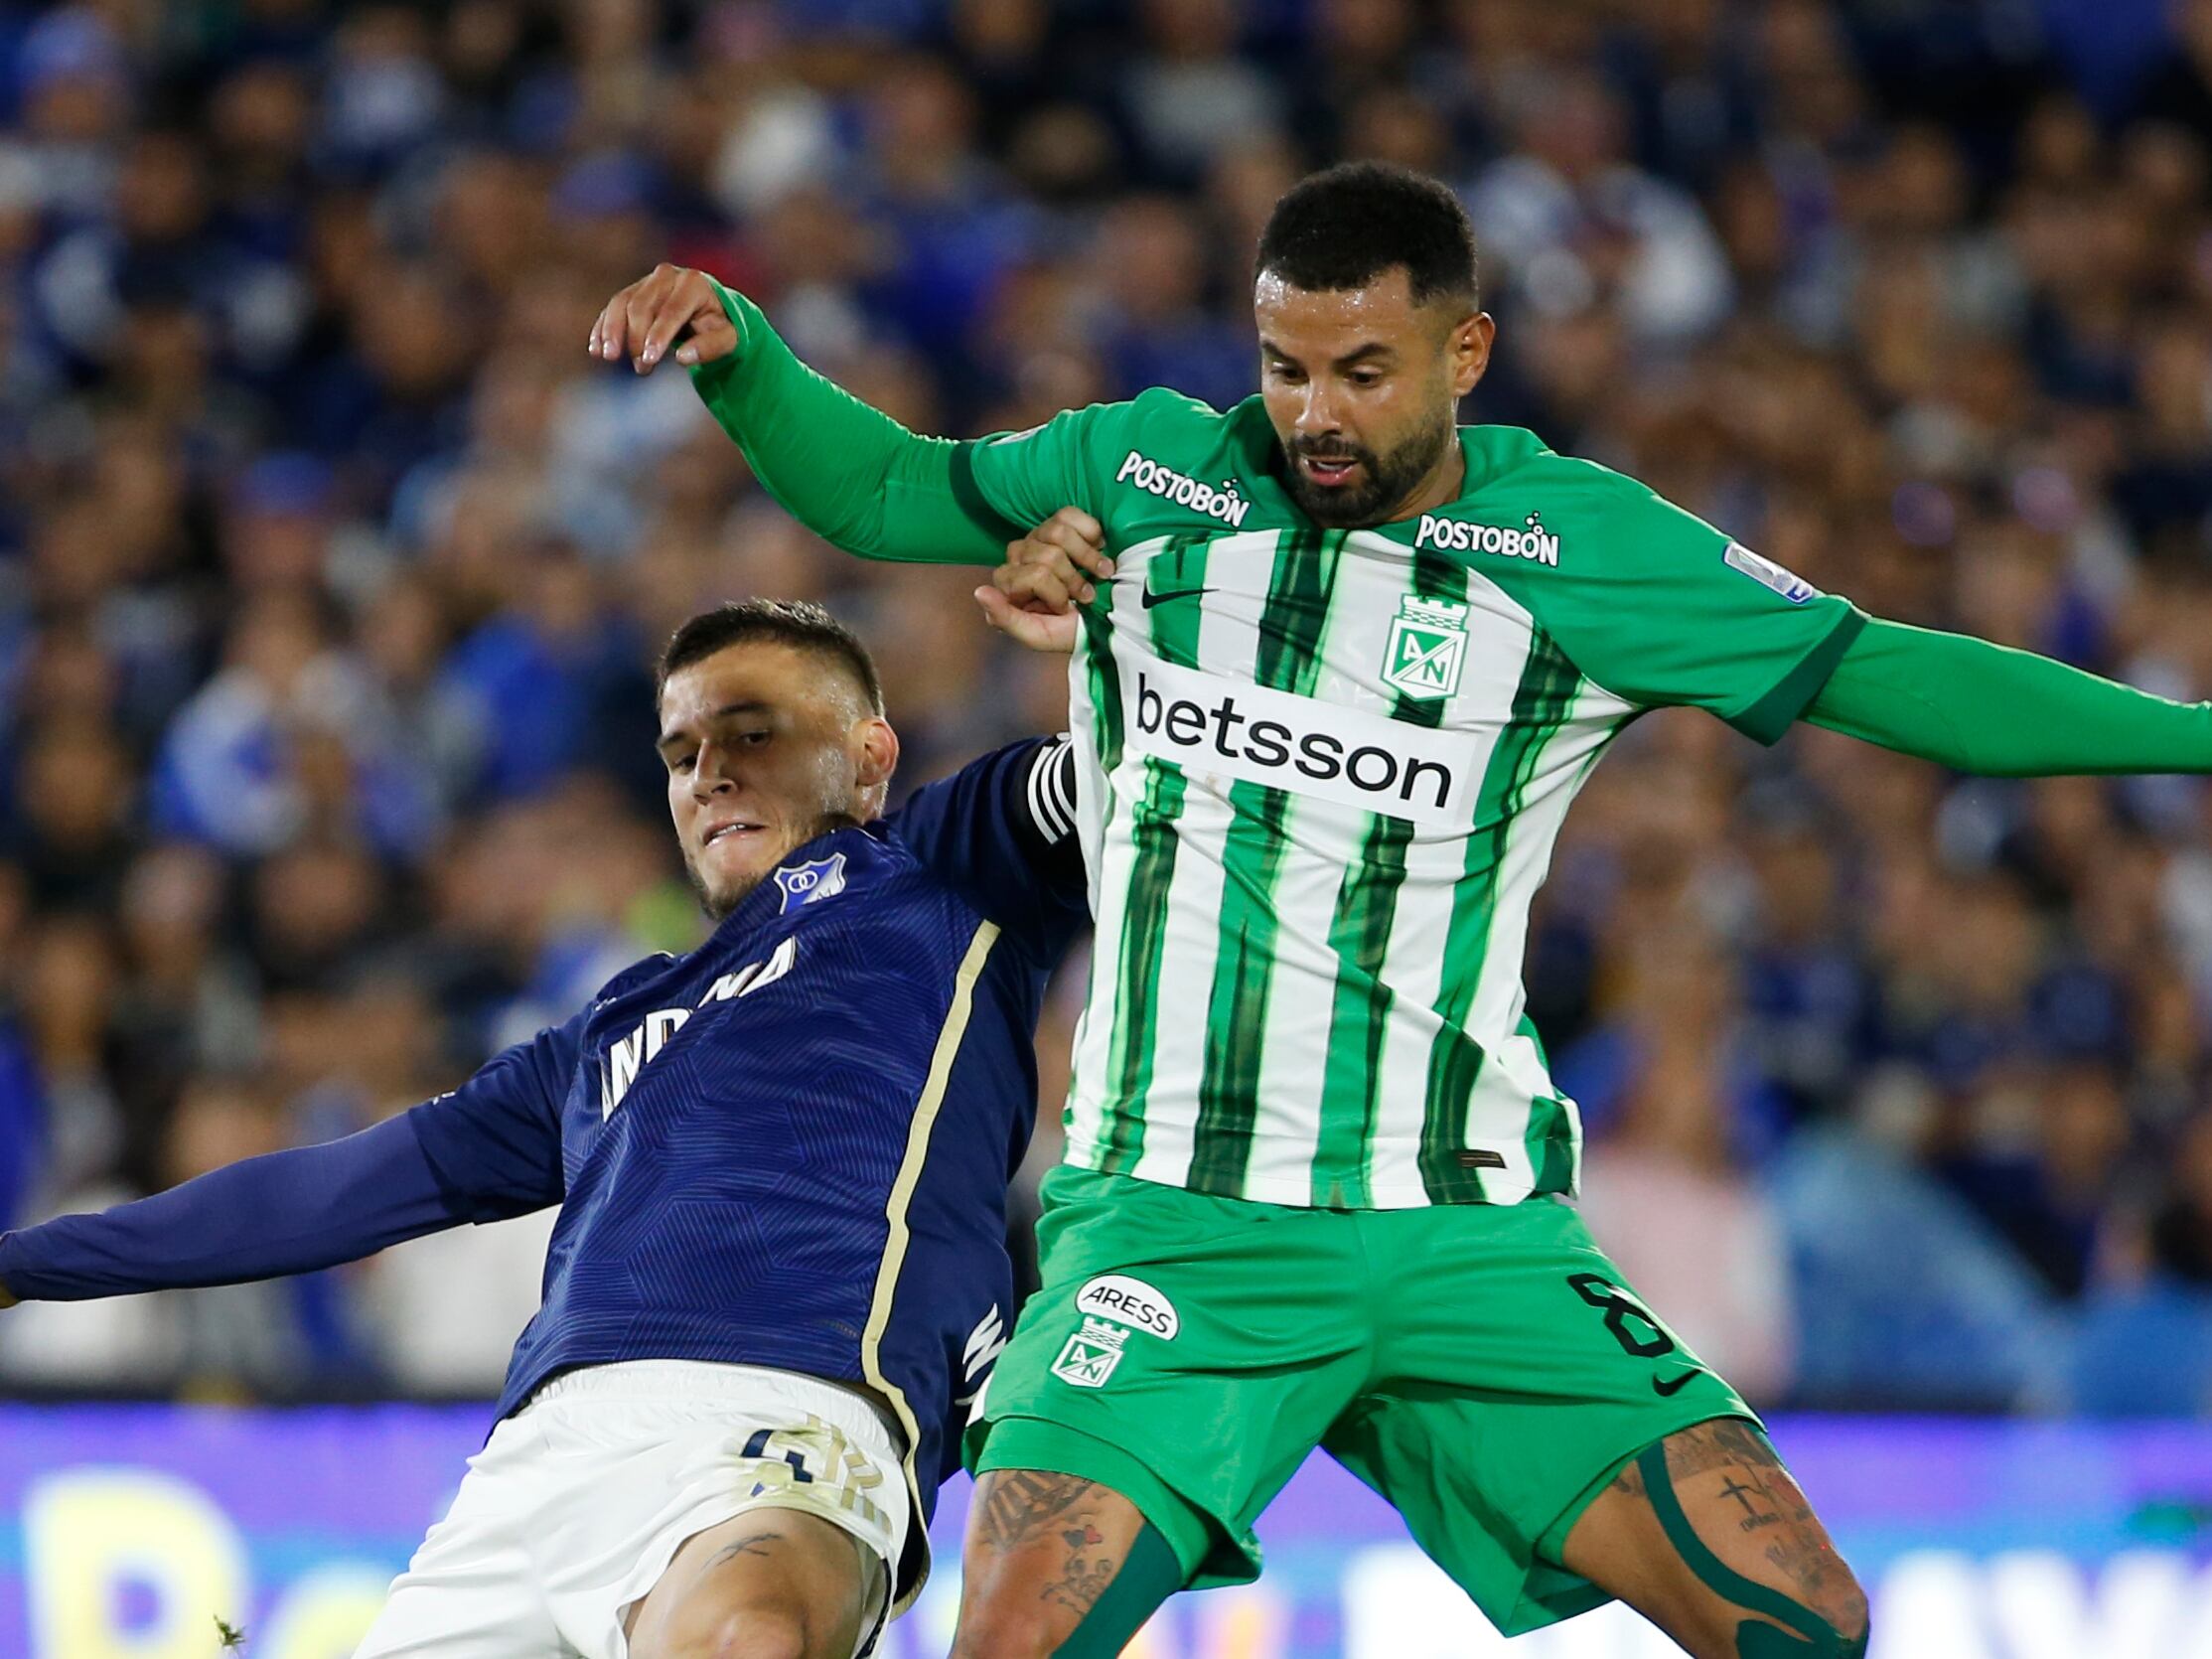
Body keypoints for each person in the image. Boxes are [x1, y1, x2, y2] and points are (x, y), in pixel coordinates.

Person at [594, 163, 2212, 1659]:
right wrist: (745, 357)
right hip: (1175, 1224)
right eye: (1285, 364)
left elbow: (1882, 672)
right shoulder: (1145, 475)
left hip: (1466, 1233)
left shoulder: (1576, 548)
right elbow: (888, 488)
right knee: (1009, 1642)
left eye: (1362, 371)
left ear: (1465, 351)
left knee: (1800, 1622)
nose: (1311, 412)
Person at [0, 599, 1089, 1659]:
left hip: (795, 1409)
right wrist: (24, 1264)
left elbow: (1156, 773)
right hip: (537, 1460)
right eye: (680, 749)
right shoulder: (602, 1035)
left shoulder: (943, 867)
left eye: (752, 732)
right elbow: (331, 1192)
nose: (707, 770)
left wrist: (1130, 632)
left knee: (745, 1637)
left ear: (866, 755)